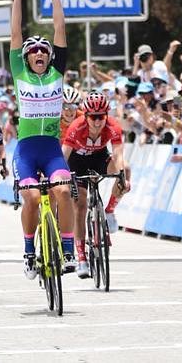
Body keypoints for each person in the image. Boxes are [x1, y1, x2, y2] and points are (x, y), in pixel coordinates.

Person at [9, 0, 76, 278]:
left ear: (49, 58)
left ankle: (69, 247)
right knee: (33, 198)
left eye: (43, 51)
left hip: (50, 149)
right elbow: (14, 33)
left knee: (63, 191)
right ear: (26, 58)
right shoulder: (19, 73)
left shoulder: (56, 74)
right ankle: (28, 252)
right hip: (26, 150)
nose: (39, 54)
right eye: (33, 51)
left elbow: (60, 30)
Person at [62, 92, 130, 279]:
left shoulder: (113, 126)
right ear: (86, 115)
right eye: (93, 117)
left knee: (126, 171)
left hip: (99, 157)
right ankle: (82, 258)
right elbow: (64, 156)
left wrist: (122, 175)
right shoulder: (76, 127)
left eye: (101, 117)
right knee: (81, 206)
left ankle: (108, 211)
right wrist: (62, 177)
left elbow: (118, 154)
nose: (98, 122)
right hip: (76, 162)